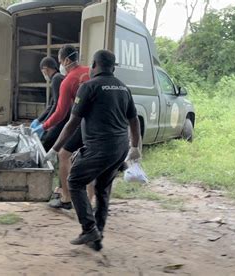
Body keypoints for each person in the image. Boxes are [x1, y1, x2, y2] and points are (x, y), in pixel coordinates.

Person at [44, 50, 142, 251]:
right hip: (120, 147)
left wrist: (54, 148)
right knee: (102, 189)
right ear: (113, 67)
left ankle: (89, 229)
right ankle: (97, 237)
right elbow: (134, 120)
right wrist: (134, 146)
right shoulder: (124, 88)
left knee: (75, 181)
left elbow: (72, 123)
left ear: (94, 65)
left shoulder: (88, 87)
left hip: (101, 147)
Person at [32, 45, 90, 210]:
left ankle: (66, 198)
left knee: (63, 155)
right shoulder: (90, 72)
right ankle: (92, 202)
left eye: (60, 61)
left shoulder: (67, 80)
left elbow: (60, 111)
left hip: (81, 123)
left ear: (65, 60)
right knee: (91, 159)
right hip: (99, 124)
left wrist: (44, 125)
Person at [30, 56, 65, 151]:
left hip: (62, 118)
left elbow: (56, 104)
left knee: (45, 143)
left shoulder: (56, 79)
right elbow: (51, 105)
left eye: (42, 72)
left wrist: (45, 124)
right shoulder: (58, 78)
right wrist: (39, 120)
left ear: (45, 69)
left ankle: (48, 164)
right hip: (62, 116)